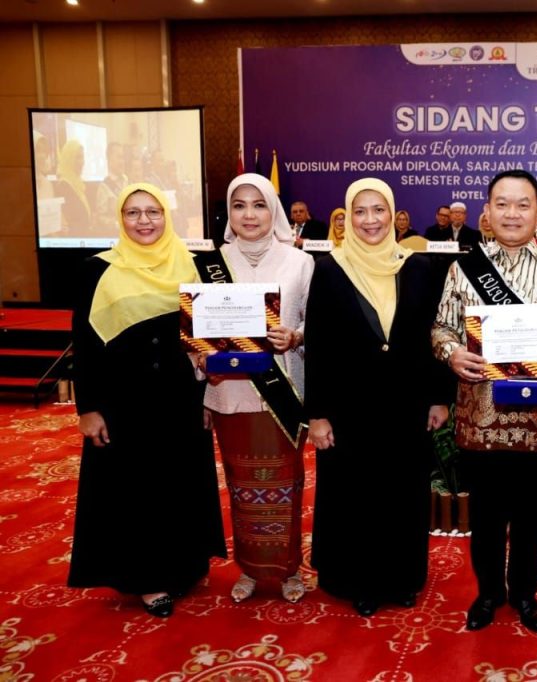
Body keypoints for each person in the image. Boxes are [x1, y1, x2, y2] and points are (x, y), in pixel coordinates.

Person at [432, 169, 537, 633]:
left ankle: (525, 594)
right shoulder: (463, 268)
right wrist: (452, 352)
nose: (512, 213)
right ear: (486, 211)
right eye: (502, 203)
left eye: (523, 204)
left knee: (529, 517)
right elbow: (441, 328)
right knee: (484, 516)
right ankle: (488, 594)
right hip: (479, 418)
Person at [68, 182, 226, 617]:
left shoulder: (195, 266)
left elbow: (207, 337)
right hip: (125, 404)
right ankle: (146, 578)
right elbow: (83, 343)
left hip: (179, 398)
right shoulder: (96, 270)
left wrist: (209, 371)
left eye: (153, 211)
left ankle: (185, 565)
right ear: (121, 219)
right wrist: (88, 408)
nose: (144, 221)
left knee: (180, 483)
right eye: (133, 213)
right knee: (135, 490)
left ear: (167, 215)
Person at [306, 178, 452, 616]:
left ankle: (402, 578)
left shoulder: (419, 267)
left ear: (393, 215)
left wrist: (438, 398)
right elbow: (319, 344)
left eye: (378, 210)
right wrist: (317, 414)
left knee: (403, 494)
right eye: (360, 212)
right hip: (350, 409)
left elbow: (433, 339)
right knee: (356, 496)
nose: (370, 220)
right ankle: (359, 581)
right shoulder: (330, 268)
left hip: (406, 406)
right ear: (348, 218)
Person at [203, 173, 314, 604]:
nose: (250, 215)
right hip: (229, 395)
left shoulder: (298, 262)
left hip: (282, 393)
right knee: (241, 484)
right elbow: (197, 331)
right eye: (239, 205)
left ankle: (287, 569)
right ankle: (248, 568)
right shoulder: (211, 263)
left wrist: (297, 336)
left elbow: (312, 321)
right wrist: (201, 356)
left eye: (259, 205)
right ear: (229, 213)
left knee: (285, 485)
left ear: (274, 211)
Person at [54, 139, 92, 231]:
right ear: (68, 158)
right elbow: (70, 222)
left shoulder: (78, 182)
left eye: (82, 157)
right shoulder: (63, 186)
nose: (82, 162)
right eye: (77, 157)